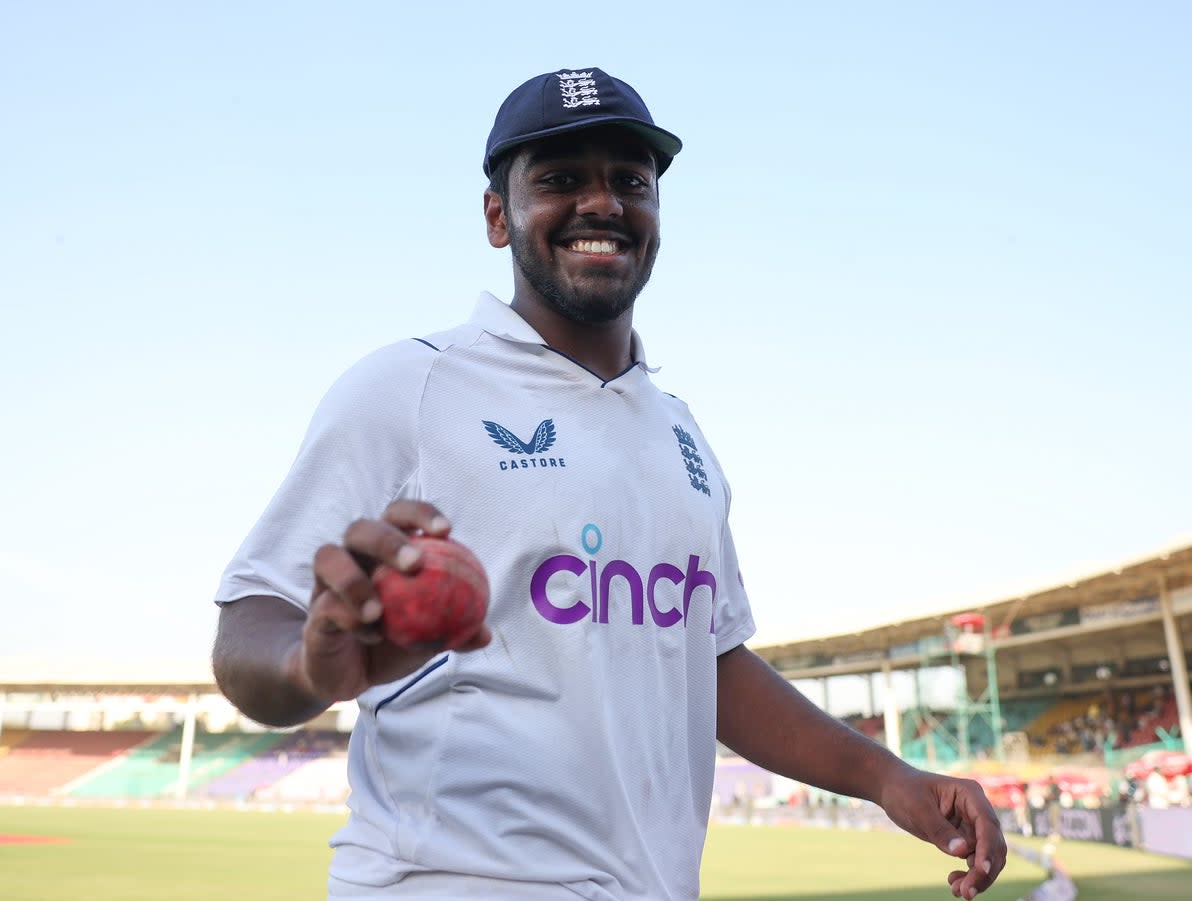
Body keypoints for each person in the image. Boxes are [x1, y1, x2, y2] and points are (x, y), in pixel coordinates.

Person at [212, 66, 1007, 900]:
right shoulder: (408, 389)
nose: (603, 203)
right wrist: (310, 670)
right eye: (560, 179)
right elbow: (247, 630)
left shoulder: (680, 431)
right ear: (496, 216)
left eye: (631, 180)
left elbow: (710, 661)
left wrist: (886, 776)